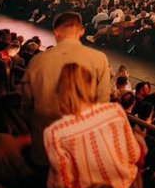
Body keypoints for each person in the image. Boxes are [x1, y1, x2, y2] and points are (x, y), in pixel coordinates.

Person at [43, 63, 142, 188]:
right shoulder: (115, 111)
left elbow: (62, 186)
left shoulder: (55, 132)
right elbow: (134, 154)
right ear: (91, 85)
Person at [21, 11, 111, 166]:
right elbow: (103, 103)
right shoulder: (99, 59)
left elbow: (26, 107)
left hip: (44, 148)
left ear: (56, 32)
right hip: (80, 151)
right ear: (82, 31)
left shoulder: (37, 62)